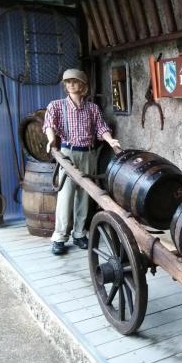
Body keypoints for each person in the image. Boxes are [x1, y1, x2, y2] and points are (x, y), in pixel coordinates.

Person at [43, 69, 122, 255]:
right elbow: (49, 125)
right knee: (66, 196)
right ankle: (60, 237)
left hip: (88, 154)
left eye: (75, 81)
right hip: (67, 154)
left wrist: (110, 140)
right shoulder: (56, 106)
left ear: (83, 86)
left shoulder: (92, 108)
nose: (71, 84)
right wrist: (51, 139)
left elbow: (102, 128)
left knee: (85, 196)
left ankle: (79, 234)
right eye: (68, 82)